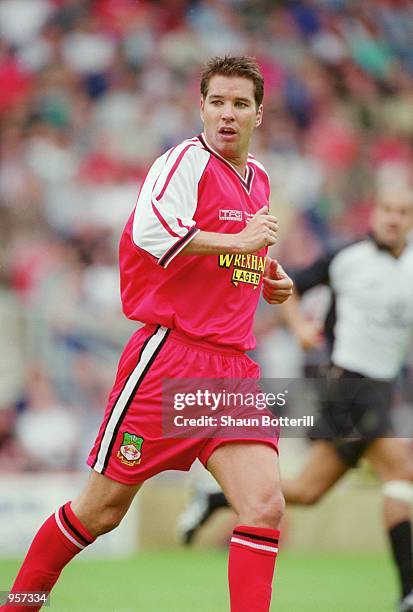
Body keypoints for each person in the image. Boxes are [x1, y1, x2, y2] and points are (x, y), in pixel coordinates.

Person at [2, 56, 293, 612]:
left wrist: (268, 279)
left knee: (264, 505)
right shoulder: (184, 162)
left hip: (232, 368)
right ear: (201, 107)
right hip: (169, 361)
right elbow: (154, 233)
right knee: (101, 512)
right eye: (217, 102)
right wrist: (239, 245)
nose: (227, 114)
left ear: (260, 112)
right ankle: (17, 606)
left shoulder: (260, 178)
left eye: (240, 103)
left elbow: (234, 257)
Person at [281, 189, 413, 612]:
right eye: (387, 209)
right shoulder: (346, 257)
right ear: (374, 213)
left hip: (382, 388)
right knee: (401, 468)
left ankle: (219, 496)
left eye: (403, 212)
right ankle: (409, 591)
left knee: (306, 491)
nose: (393, 218)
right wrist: (300, 327)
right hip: (346, 385)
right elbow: (283, 282)